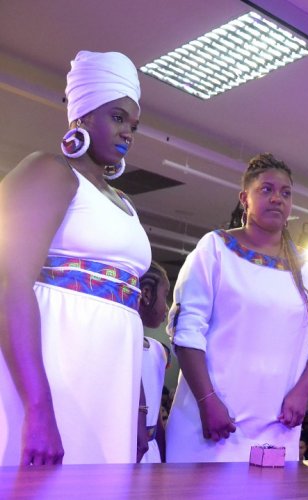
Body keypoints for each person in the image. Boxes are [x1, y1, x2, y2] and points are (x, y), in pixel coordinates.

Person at [0, 51, 150, 465]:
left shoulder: (125, 204)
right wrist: (38, 407)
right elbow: (9, 285)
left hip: (108, 380)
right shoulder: (48, 172)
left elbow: (127, 313)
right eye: (118, 117)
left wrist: (137, 407)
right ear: (82, 115)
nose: (128, 133)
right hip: (54, 373)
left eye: (133, 125)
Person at [165, 153, 308, 463]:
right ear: (244, 198)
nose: (277, 199)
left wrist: (302, 394)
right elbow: (187, 330)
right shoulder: (215, 248)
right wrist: (207, 401)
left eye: (286, 193)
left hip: (278, 423)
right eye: (267, 189)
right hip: (212, 418)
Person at [136, 262, 171, 463]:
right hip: (121, 446)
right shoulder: (119, 345)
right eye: (165, 295)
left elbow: (156, 417)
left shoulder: (159, 351)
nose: (167, 308)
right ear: (147, 293)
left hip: (152, 452)